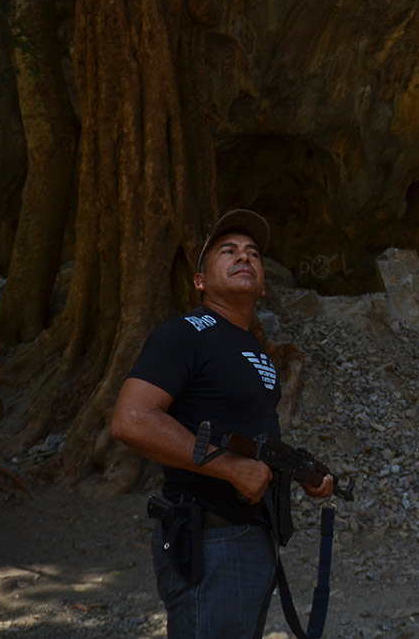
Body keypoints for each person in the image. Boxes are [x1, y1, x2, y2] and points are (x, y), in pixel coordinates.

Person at [111, 209, 332, 639]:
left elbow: (256, 443)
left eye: (253, 254)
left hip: (248, 537)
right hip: (210, 537)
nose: (244, 257)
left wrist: (304, 475)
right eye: (228, 251)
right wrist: (231, 469)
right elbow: (132, 420)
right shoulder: (185, 333)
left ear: (263, 286)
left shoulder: (254, 348)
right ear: (200, 281)